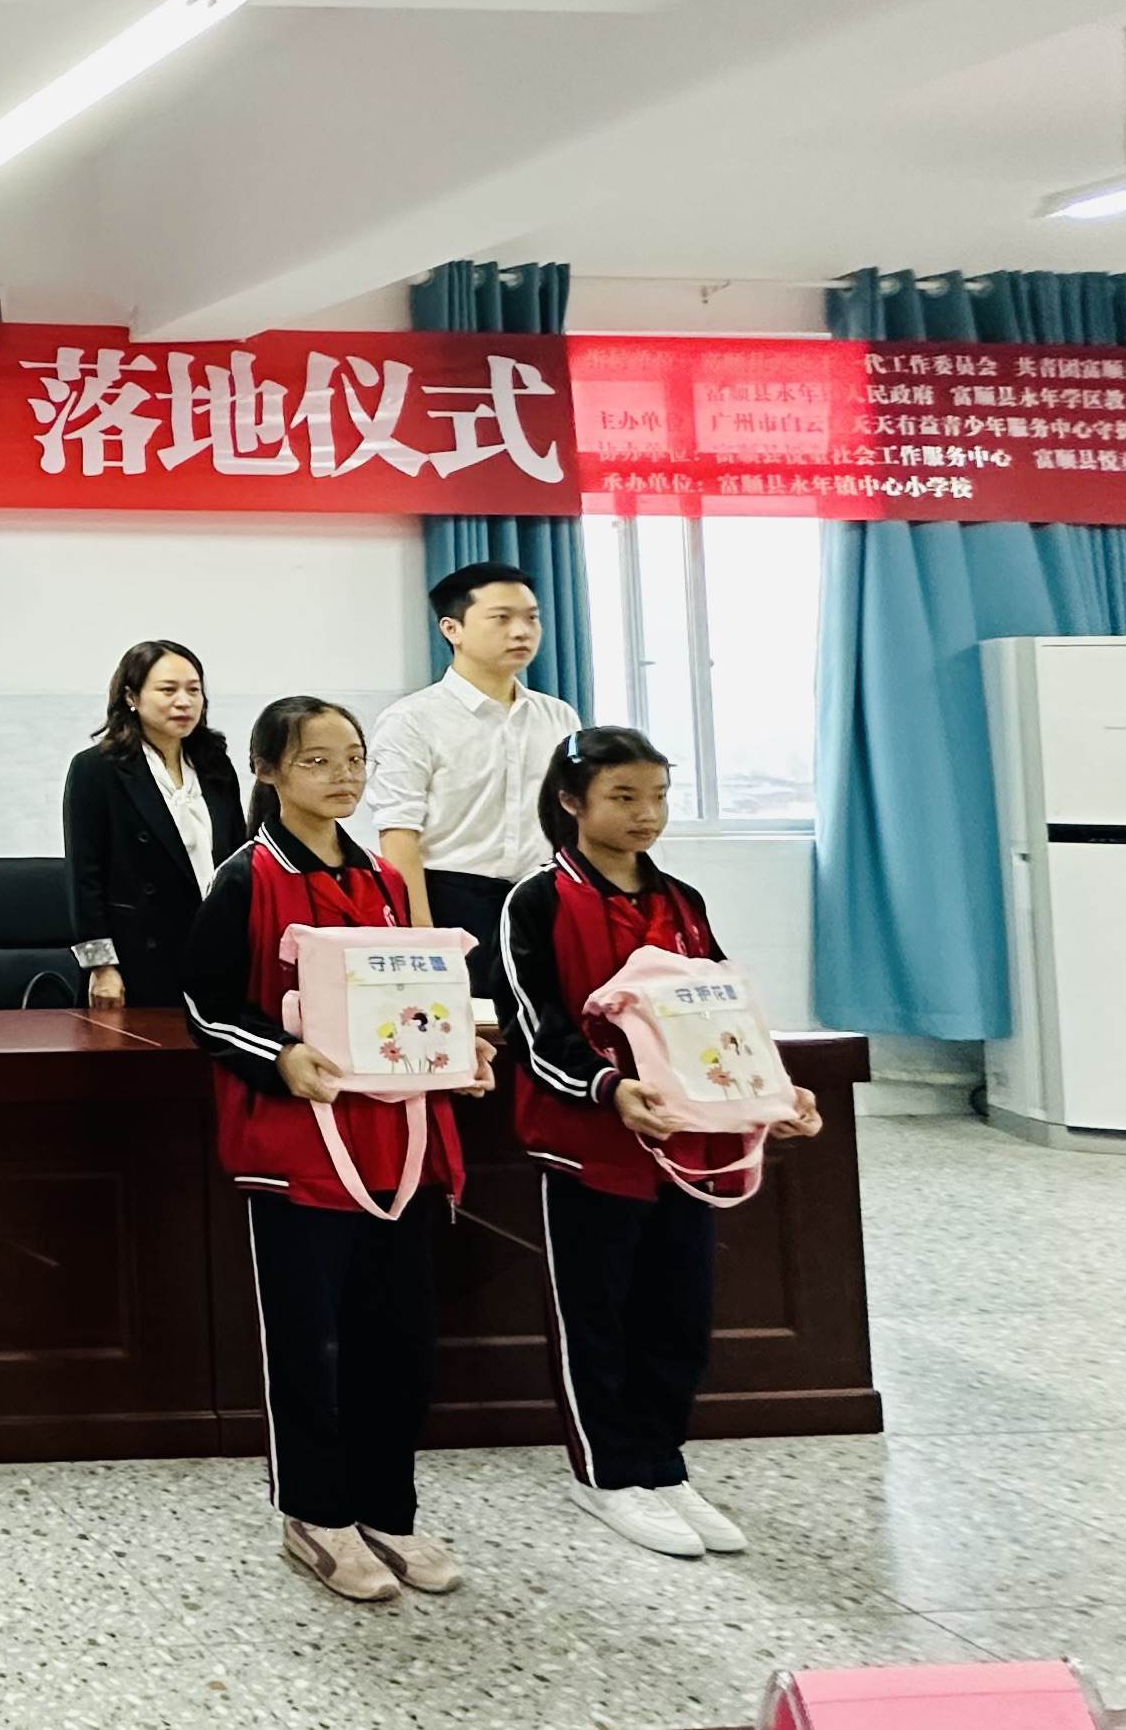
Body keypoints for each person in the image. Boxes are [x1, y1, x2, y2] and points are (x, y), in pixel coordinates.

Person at [184, 695, 498, 1605]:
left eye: (354, 757)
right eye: (318, 760)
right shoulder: (247, 877)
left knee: (399, 1342)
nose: (345, 775)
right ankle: (315, 1515)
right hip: (298, 1151)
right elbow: (205, 1006)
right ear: (271, 772)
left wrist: (460, 1049)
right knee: (307, 1343)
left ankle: (387, 1509)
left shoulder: (390, 882)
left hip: (399, 1146)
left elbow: (420, 1000)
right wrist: (279, 1057)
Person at [501, 726, 825, 1563]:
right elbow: (536, 1032)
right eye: (624, 797)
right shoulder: (535, 901)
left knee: (678, 1312)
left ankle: (664, 1463)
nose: (647, 815)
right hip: (589, 1142)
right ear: (572, 801)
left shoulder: (681, 901)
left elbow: (721, 1011)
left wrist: (776, 1089)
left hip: (688, 1143)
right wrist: (608, 1091)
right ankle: (608, 1473)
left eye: (657, 797)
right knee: (595, 1314)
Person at [366, 562, 580, 997]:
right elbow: (399, 834)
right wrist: (421, 937)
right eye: (501, 618)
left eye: (531, 618)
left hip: (543, 900)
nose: (521, 632)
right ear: (452, 629)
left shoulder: (558, 716)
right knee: (468, 1042)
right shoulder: (412, 720)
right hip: (452, 900)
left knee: (543, 1036)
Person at [60, 639, 246, 1009]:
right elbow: (85, 876)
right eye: (168, 690)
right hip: (137, 955)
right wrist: (102, 966)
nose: (184, 701)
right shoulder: (97, 769)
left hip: (214, 946)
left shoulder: (214, 765)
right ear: (132, 696)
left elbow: (237, 855)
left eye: (194, 691)